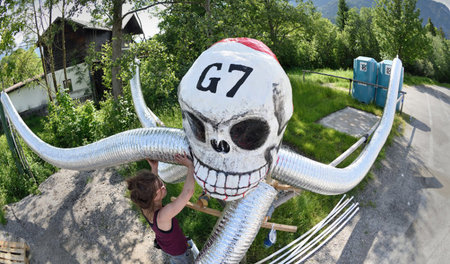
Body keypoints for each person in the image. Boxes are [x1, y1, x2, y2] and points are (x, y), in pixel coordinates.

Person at [126, 153, 195, 264]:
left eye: (160, 181)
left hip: (166, 245)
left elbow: (151, 188)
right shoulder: (163, 216)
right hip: (179, 251)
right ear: (154, 197)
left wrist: (154, 169)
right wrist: (190, 167)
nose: (164, 186)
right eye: (161, 186)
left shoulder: (144, 204)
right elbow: (188, 193)